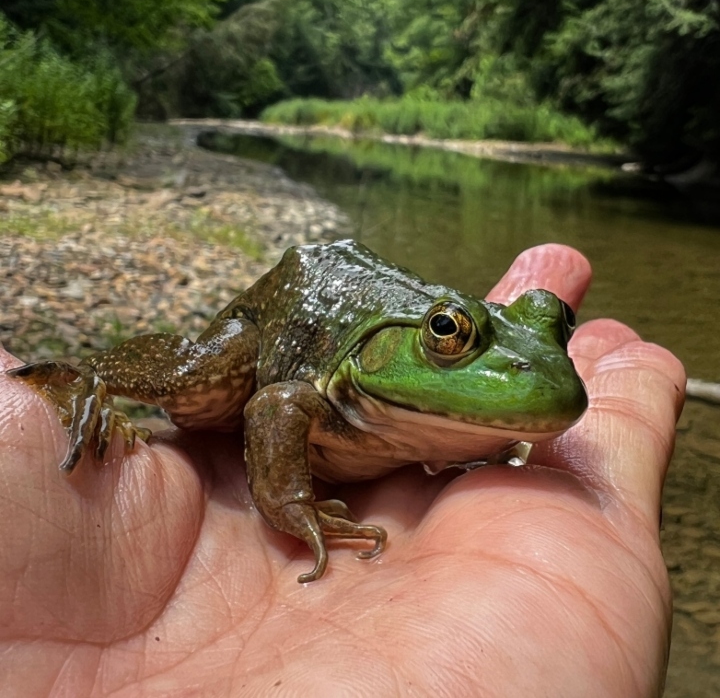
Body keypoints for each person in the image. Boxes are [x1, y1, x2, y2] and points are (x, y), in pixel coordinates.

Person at [0, 244, 683, 697]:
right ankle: (96, 370)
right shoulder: (328, 390)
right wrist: (289, 501)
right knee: (197, 385)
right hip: (287, 307)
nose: (543, 356)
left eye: (556, 325)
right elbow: (277, 401)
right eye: (449, 335)